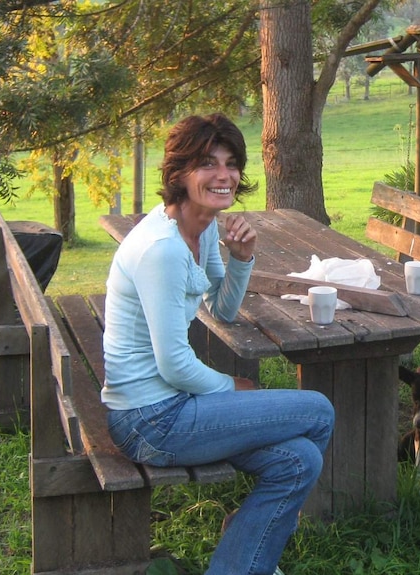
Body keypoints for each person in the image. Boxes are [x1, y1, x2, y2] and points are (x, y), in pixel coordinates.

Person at [101, 113, 334, 575]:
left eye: (231, 163)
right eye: (208, 163)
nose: (224, 175)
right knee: (319, 410)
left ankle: (239, 556)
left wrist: (242, 258)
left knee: (300, 458)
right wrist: (233, 386)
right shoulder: (162, 249)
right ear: (179, 174)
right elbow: (172, 365)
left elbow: (220, 309)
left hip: (176, 406)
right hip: (149, 420)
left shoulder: (202, 226)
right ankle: (249, 550)